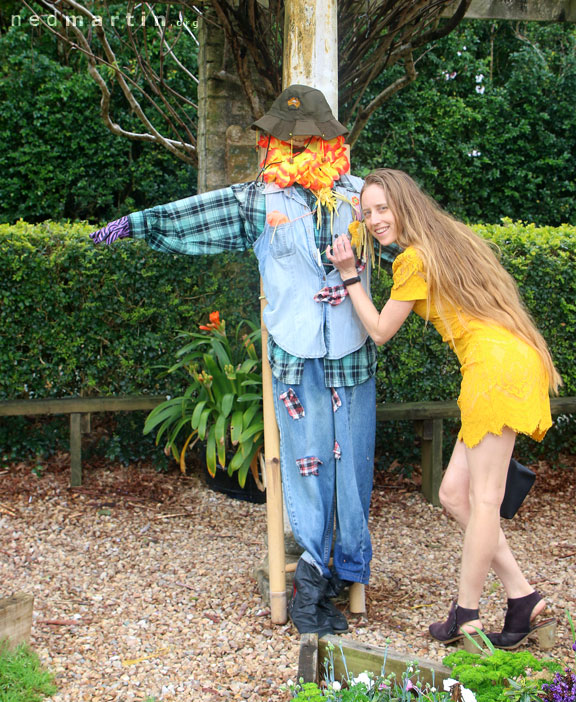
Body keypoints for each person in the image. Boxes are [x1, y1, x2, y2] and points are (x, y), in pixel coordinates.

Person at [90, 85, 395, 637]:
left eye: (310, 138)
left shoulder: (360, 195)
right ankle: (310, 586)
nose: (298, 146)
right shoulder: (260, 199)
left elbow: (412, 239)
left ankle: (344, 573)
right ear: (275, 141)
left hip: (352, 349)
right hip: (294, 349)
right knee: (306, 468)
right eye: (288, 138)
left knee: (352, 467)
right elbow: (196, 216)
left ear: (330, 138)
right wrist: (135, 224)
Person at [326, 168, 562, 650]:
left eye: (382, 209)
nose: (373, 220)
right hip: (510, 361)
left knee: (485, 500)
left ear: (405, 205)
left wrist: (350, 275)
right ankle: (523, 598)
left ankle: (467, 614)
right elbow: (371, 230)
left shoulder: (413, 260)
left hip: (493, 371)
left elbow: (378, 330)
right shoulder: (449, 238)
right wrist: (354, 219)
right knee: (455, 493)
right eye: (367, 211)